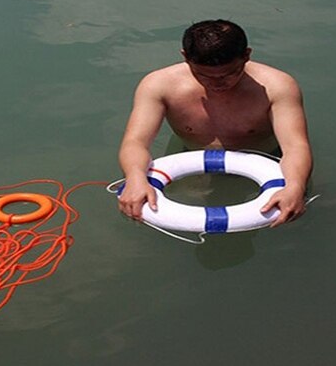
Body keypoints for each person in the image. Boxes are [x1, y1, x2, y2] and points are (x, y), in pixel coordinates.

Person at [117, 20, 313, 227]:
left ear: (247, 55)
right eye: (203, 75)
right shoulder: (159, 85)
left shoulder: (277, 86)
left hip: (268, 161)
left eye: (230, 73)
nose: (218, 83)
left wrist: (295, 186)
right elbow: (135, 142)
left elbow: (294, 146)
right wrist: (135, 177)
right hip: (191, 163)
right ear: (185, 57)